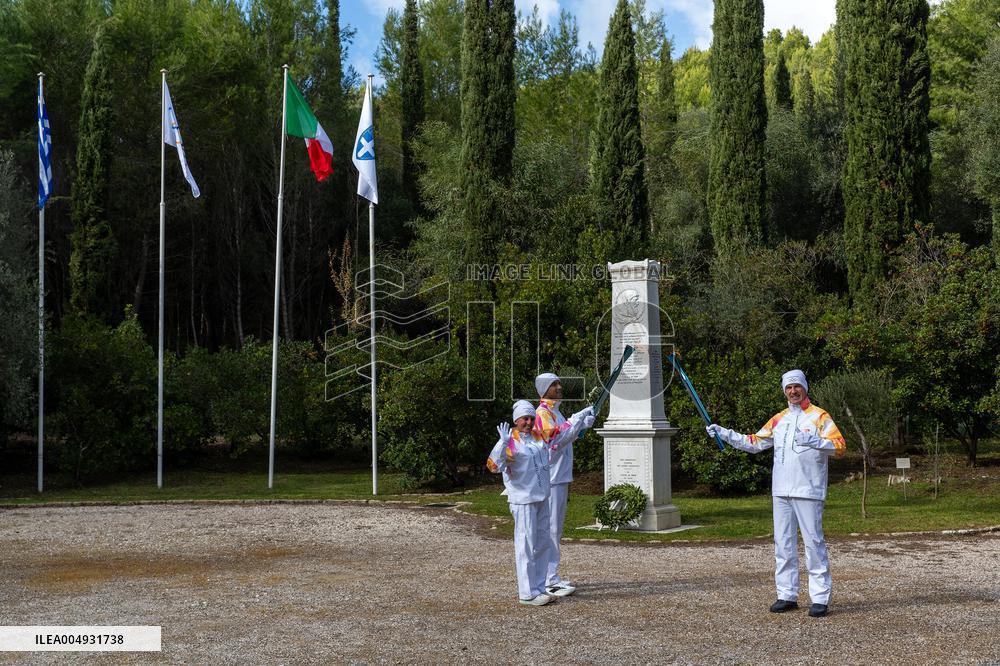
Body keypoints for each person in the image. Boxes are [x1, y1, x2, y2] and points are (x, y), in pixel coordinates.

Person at [707, 369, 846, 618]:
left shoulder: (819, 417)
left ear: (805, 388)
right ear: (784, 391)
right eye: (788, 388)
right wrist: (723, 433)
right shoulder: (779, 419)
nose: (793, 391)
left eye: (797, 387)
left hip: (809, 490)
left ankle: (820, 598)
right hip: (781, 490)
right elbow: (754, 442)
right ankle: (787, 594)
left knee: (813, 544)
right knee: (783, 544)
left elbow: (840, 446)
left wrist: (815, 442)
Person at [487, 400, 558, 606]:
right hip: (523, 499)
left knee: (543, 543)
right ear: (516, 420)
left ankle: (539, 587)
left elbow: (558, 440)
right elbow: (494, 466)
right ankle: (527, 592)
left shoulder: (538, 437)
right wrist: (502, 443)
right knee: (526, 545)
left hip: (542, 497)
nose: (528, 422)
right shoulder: (510, 440)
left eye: (530, 418)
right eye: (524, 419)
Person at [533, 373, 595, 598]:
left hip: (559, 476)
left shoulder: (555, 411)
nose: (559, 387)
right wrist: (576, 421)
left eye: (559, 383)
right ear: (543, 390)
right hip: (551, 478)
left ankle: (551, 574)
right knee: (550, 529)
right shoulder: (542, 413)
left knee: (555, 528)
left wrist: (579, 427)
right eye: (553, 385)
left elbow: (565, 436)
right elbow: (554, 440)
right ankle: (548, 579)